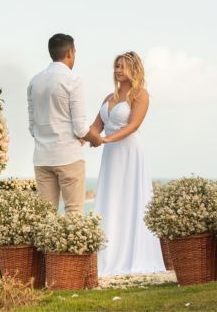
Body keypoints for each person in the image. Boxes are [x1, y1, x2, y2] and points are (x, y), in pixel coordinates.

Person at [90, 51, 165, 276]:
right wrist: (86, 136)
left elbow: (132, 125)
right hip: (111, 154)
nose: (118, 70)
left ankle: (133, 256)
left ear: (134, 69)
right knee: (110, 199)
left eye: (122, 66)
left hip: (129, 152)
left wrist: (105, 140)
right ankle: (108, 257)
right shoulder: (108, 98)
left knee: (132, 200)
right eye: (116, 66)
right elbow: (96, 126)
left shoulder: (140, 95)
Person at [27, 33, 102, 214]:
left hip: (42, 157)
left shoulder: (34, 81)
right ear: (70, 52)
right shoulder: (73, 80)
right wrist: (95, 139)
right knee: (74, 212)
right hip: (68, 156)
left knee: (45, 216)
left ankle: (45, 244)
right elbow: (80, 127)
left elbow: (32, 127)